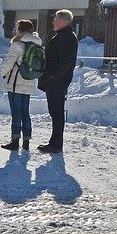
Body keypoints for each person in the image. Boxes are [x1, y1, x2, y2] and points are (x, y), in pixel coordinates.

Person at [37, 9, 79, 154]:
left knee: (57, 113)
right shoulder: (63, 36)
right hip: (55, 81)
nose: (53, 21)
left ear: (61, 21)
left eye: (55, 19)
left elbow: (66, 61)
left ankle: (56, 145)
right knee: (55, 112)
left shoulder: (68, 37)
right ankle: (54, 143)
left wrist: (52, 76)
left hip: (57, 82)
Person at [0, 19, 43, 151]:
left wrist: (2, 72)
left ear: (21, 30)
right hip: (28, 82)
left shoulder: (18, 44)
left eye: (16, 28)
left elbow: (9, 63)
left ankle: (14, 141)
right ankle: (26, 142)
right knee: (25, 112)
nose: (15, 30)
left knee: (16, 112)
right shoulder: (37, 44)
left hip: (15, 83)